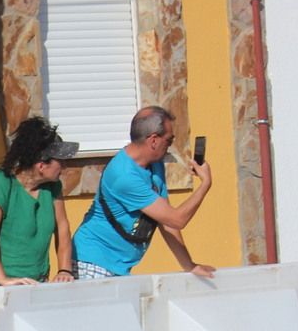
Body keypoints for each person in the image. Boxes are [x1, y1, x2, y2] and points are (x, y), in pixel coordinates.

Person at [71, 105, 215, 279]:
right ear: (153, 140)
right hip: (93, 261)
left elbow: (166, 219)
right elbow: (177, 220)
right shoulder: (123, 175)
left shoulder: (155, 165)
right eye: (169, 141)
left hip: (118, 264)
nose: (169, 147)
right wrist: (205, 184)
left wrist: (189, 265)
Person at [0, 117, 79, 287]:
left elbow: (62, 228)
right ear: (41, 165)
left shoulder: (52, 187)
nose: (65, 166)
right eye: (60, 161)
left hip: (32, 286)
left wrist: (64, 269)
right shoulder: (1, 183)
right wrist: (3, 280)